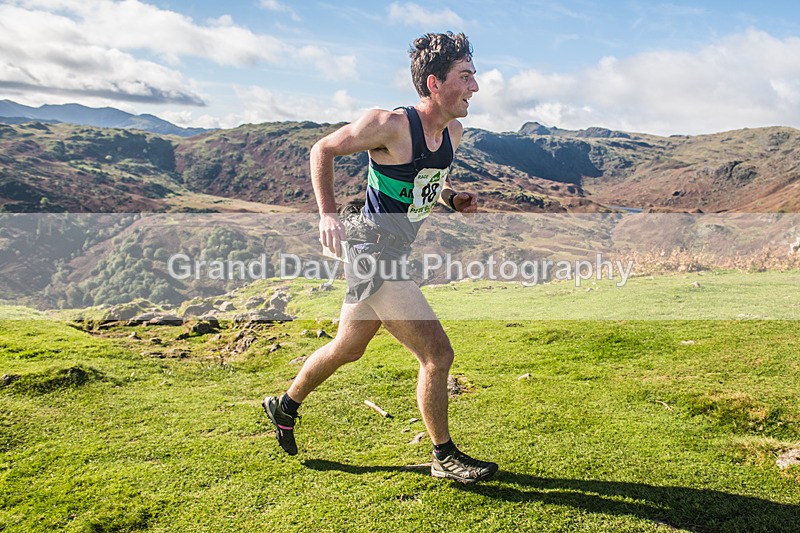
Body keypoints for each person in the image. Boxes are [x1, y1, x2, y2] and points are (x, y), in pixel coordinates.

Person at [263, 32, 498, 484]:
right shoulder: (389, 124)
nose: (475, 87)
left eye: (473, 76)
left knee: (347, 348)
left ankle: (284, 405)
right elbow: (322, 149)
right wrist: (327, 216)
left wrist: (452, 199)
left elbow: (425, 183)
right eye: (466, 77)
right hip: (372, 252)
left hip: (392, 251)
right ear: (434, 83)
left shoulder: (453, 132)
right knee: (438, 356)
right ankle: (444, 456)